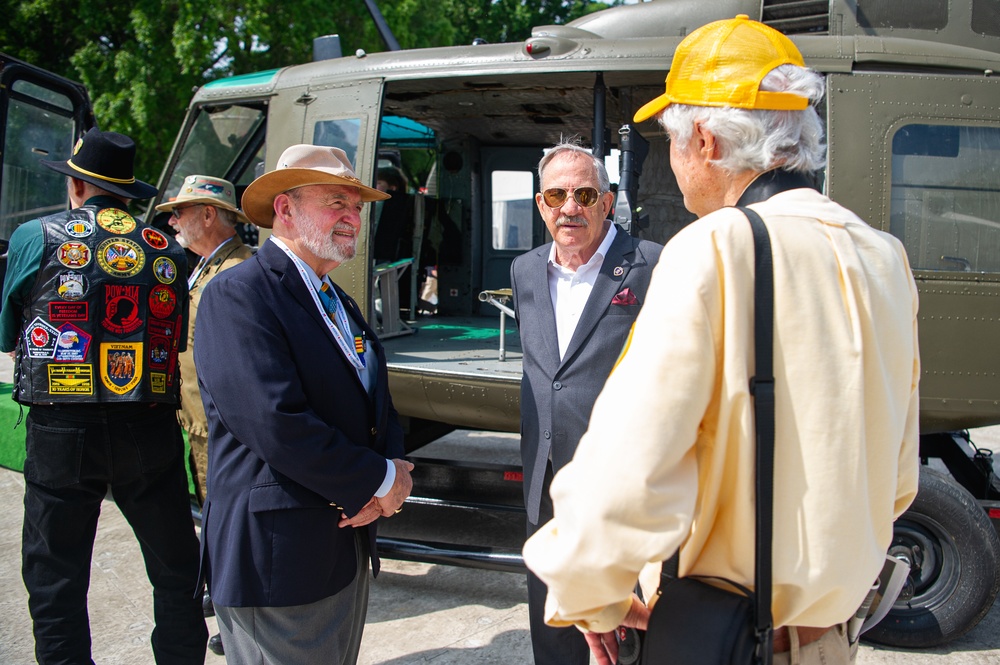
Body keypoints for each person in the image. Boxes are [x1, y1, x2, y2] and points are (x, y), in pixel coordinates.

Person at [522, 15, 920, 665]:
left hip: (725, 642)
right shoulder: (884, 257)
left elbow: (622, 482)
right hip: (829, 641)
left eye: (670, 140)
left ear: (704, 140)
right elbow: (897, 482)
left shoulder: (714, 250)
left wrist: (589, 597)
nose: (672, 161)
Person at [194, 144, 415, 664]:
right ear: (285, 210)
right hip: (278, 562)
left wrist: (392, 470)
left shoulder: (334, 298)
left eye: (357, 206)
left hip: (339, 550)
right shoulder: (239, 294)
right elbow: (275, 422)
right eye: (335, 201)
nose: (350, 216)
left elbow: (373, 402)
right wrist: (379, 481)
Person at [0, 127, 208, 664]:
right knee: (176, 569)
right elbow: (173, 332)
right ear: (125, 190)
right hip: (149, 426)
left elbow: (6, 335)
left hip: (59, 429)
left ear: (76, 187)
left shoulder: (34, 236)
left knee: (55, 577)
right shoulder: (170, 251)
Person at [510, 141, 662, 665]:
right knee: (553, 623)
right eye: (556, 194)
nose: (569, 206)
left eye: (583, 193)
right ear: (540, 204)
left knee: (625, 632)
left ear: (608, 200)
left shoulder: (650, 265)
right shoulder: (525, 271)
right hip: (545, 481)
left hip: (618, 488)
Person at [154, 174, 253, 505]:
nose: (172, 221)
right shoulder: (214, 266)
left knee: (224, 518)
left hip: (221, 433)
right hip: (203, 426)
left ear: (209, 215)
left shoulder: (235, 273)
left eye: (180, 211)